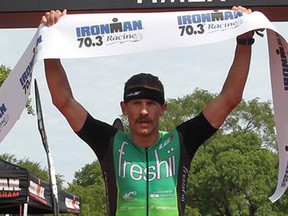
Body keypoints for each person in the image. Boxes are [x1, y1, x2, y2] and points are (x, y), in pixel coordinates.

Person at [41, 6, 254, 216]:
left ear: (163, 108)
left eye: (151, 104)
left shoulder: (180, 141)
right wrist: (51, 42)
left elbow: (230, 99)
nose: (144, 111)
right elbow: (63, 101)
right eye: (136, 103)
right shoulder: (110, 142)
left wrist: (244, 40)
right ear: (124, 108)